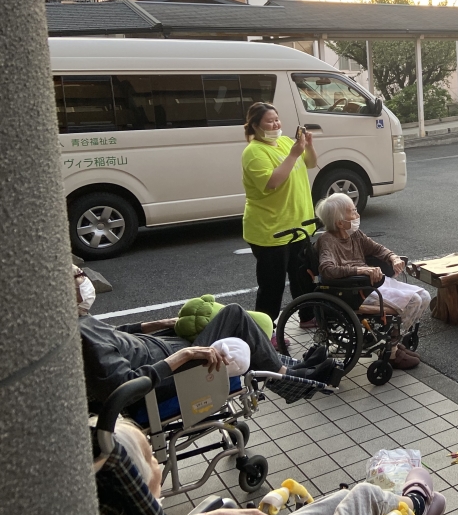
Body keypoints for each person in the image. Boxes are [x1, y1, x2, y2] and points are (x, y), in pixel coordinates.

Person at [113, 419, 446, 515]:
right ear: (137, 483)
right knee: (362, 496)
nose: (159, 464)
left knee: (344, 499)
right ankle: (414, 506)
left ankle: (409, 507)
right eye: (152, 459)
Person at [74, 266, 336, 410]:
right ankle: (290, 376)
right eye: (78, 274)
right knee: (233, 315)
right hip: (171, 371)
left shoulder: (79, 320)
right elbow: (125, 387)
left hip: (168, 350)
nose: (85, 277)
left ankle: (293, 369)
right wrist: (185, 355)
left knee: (231, 319)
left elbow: (119, 334)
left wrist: (159, 323)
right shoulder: (82, 334)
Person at [315, 193, 426, 369]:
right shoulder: (327, 240)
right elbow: (327, 269)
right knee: (414, 300)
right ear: (340, 222)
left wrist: (393, 258)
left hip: (370, 284)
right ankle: (391, 350)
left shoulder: (355, 235)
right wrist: (361, 269)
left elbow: (377, 249)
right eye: (353, 212)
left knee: (424, 295)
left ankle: (392, 343)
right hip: (354, 291)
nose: (357, 215)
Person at [242, 102, 318, 339]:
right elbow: (272, 182)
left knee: (303, 276)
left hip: (299, 225)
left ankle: (308, 316)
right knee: (272, 286)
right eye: (269, 121)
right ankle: (265, 333)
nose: (276, 124)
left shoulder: (286, 142)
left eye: (277, 119)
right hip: (270, 231)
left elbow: (311, 163)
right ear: (255, 125)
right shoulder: (254, 152)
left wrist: (308, 146)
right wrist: (294, 153)